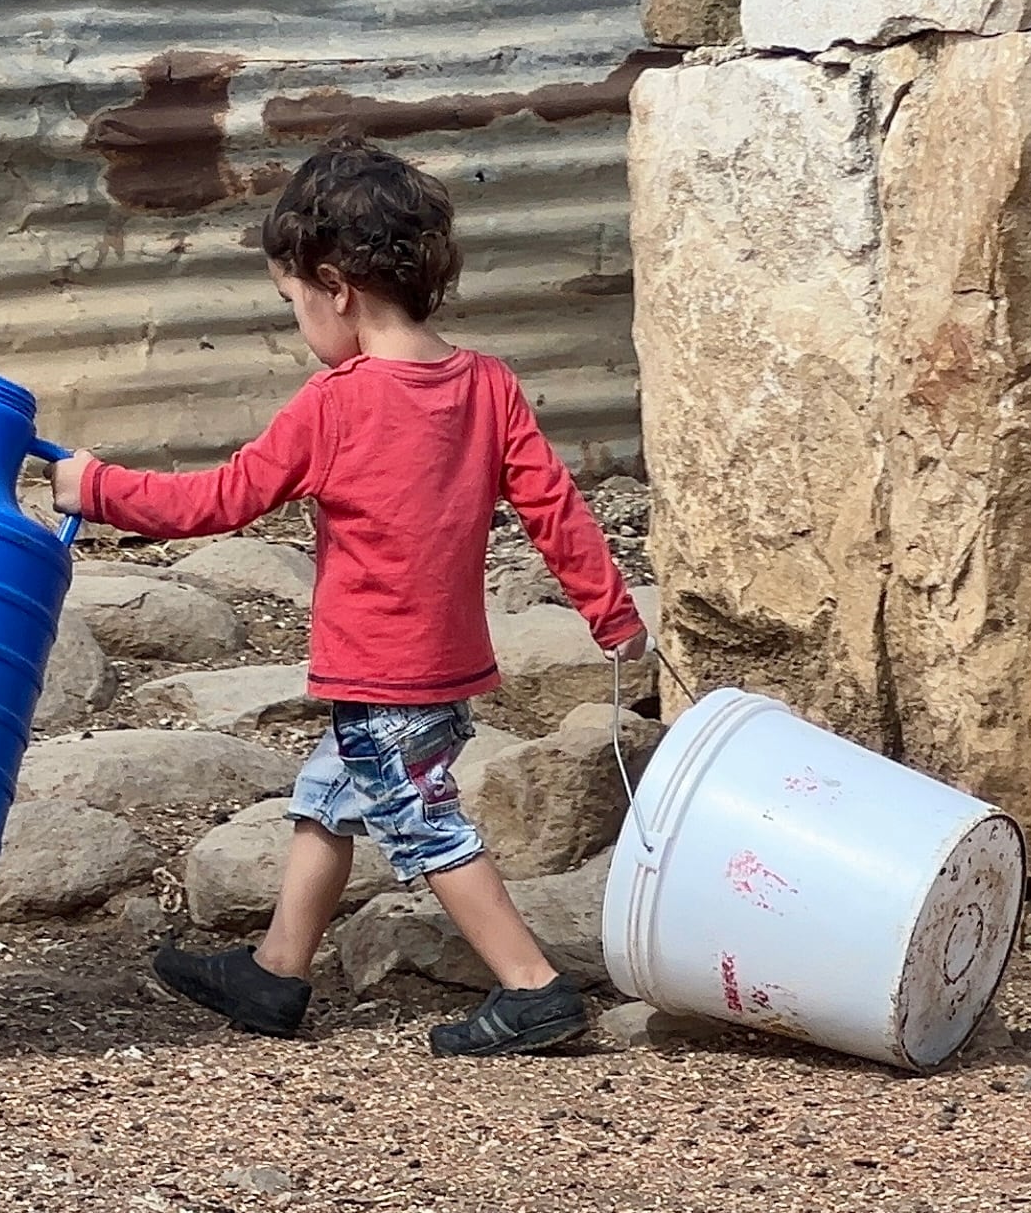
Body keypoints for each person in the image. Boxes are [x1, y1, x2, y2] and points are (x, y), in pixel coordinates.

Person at [52, 136, 646, 1058]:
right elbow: (553, 508)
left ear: (335, 286)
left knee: (424, 824)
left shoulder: (336, 403)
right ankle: (278, 971)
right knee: (328, 797)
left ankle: (533, 988)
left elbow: (220, 499)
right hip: (443, 669)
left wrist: (97, 489)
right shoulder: (488, 385)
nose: (300, 323)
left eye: (292, 302)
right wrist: (610, 613)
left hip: (382, 675)